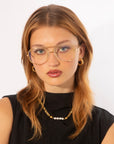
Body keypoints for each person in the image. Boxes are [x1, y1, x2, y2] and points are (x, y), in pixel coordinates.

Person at [0, 4, 114, 144]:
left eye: (63, 48)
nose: (53, 62)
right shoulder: (6, 112)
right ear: (31, 57)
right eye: (40, 51)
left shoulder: (106, 127)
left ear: (81, 52)